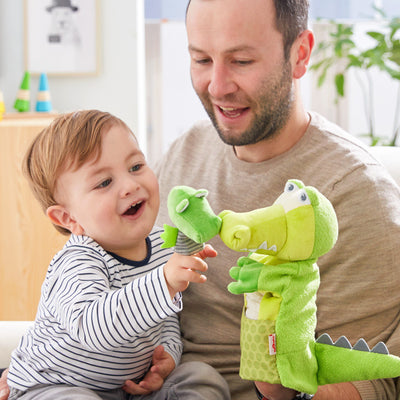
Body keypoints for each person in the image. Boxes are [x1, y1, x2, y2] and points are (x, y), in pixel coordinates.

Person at [154, 0, 400, 399]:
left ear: (299, 54)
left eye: (242, 61)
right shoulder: (185, 153)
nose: (217, 86)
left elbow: (376, 381)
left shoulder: (355, 193)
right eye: (201, 59)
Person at [5, 110, 230, 400]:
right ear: (68, 218)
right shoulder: (77, 261)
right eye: (104, 183)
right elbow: (94, 328)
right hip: (55, 385)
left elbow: (167, 317)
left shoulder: (163, 245)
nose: (130, 185)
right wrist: (163, 282)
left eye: (136, 166)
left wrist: (167, 357)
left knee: (201, 378)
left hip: (128, 389)